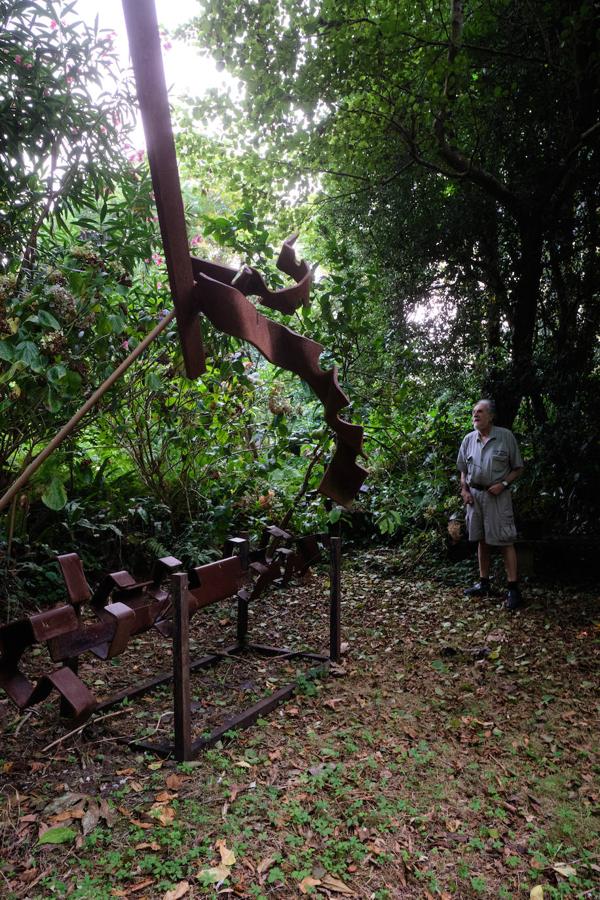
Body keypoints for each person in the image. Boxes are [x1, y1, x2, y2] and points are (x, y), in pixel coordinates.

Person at [457, 399, 524, 610]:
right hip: (475, 498)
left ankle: (513, 588)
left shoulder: (505, 437)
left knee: (505, 540)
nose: (475, 415)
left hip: (498, 496)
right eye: (474, 412)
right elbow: (463, 470)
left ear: (491, 416)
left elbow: (518, 468)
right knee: (481, 539)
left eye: (480, 411)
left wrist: (503, 484)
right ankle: (484, 583)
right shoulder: (468, 439)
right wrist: (464, 490)